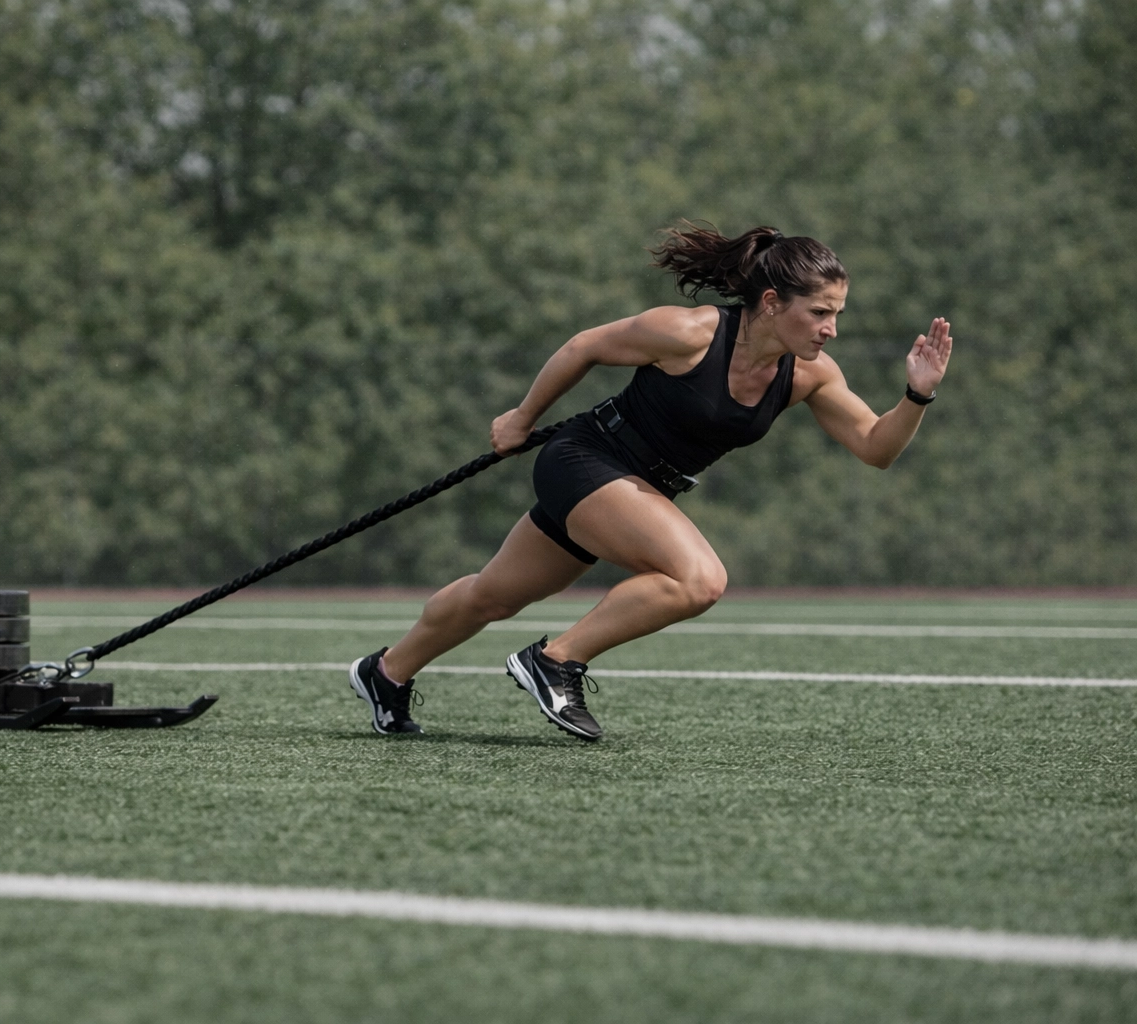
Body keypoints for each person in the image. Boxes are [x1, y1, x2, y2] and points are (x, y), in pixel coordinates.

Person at [348, 222, 953, 740]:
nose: (831, 329)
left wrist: (916, 394)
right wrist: (520, 419)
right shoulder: (690, 333)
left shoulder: (809, 376)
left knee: (493, 596)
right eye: (820, 312)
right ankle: (556, 661)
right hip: (585, 460)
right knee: (700, 580)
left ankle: (386, 673)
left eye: (836, 315)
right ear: (771, 303)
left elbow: (876, 448)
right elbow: (585, 346)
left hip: (636, 492)